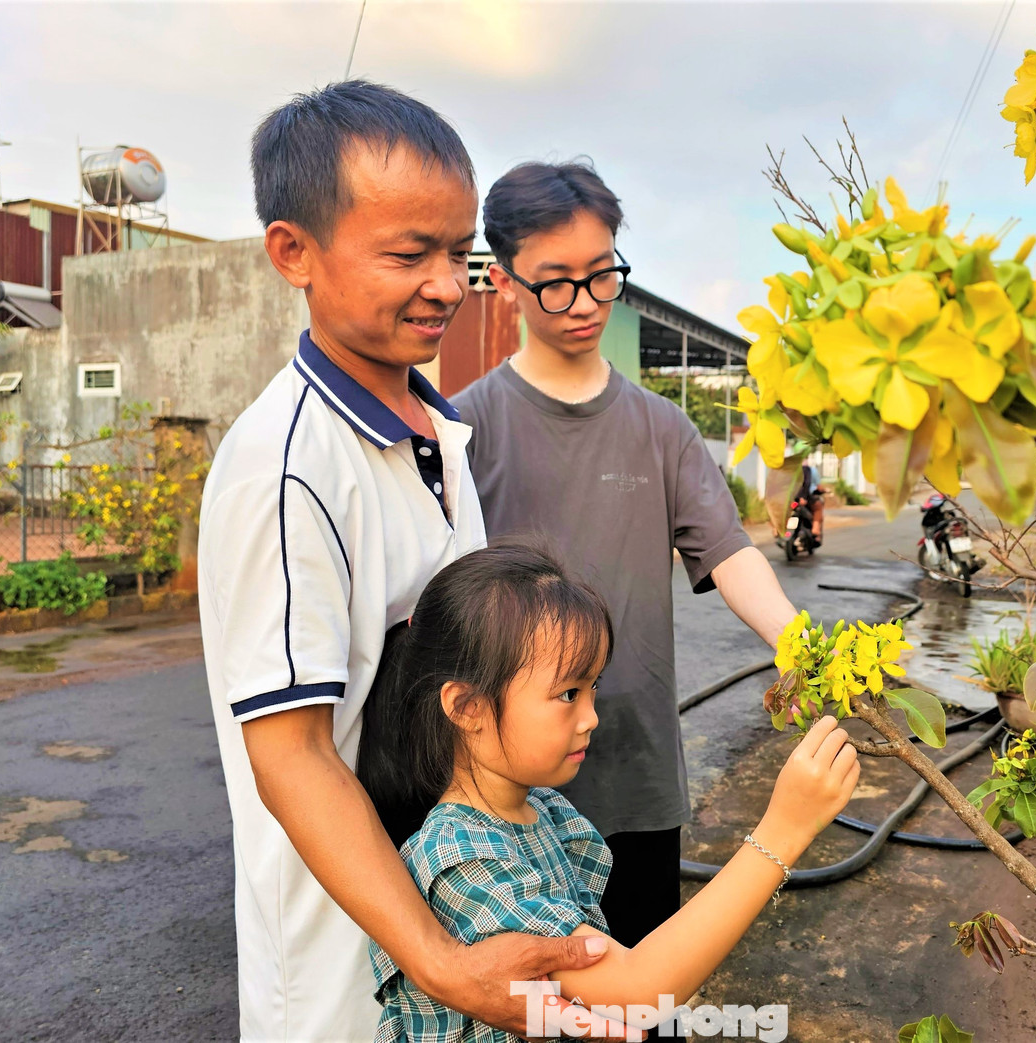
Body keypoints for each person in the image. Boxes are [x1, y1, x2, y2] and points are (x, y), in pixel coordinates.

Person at [198, 82, 605, 1042]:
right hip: (353, 981)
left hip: (455, 933)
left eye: (458, 253)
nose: (446, 283)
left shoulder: (437, 431)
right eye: (406, 253)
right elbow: (292, 755)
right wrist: (445, 966)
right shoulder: (290, 468)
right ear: (293, 252)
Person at [452, 160, 803, 956]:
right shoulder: (465, 428)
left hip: (638, 773)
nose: (585, 302)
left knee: (647, 996)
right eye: (555, 283)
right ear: (505, 282)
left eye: (601, 274)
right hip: (508, 792)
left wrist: (800, 641)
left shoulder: (663, 427)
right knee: (534, 1009)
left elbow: (728, 550)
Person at [356, 541, 859, 1041]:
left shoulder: (542, 809)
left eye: (593, 687)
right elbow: (638, 992)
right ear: (468, 708)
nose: (592, 717)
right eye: (568, 694)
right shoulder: (461, 859)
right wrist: (784, 830)